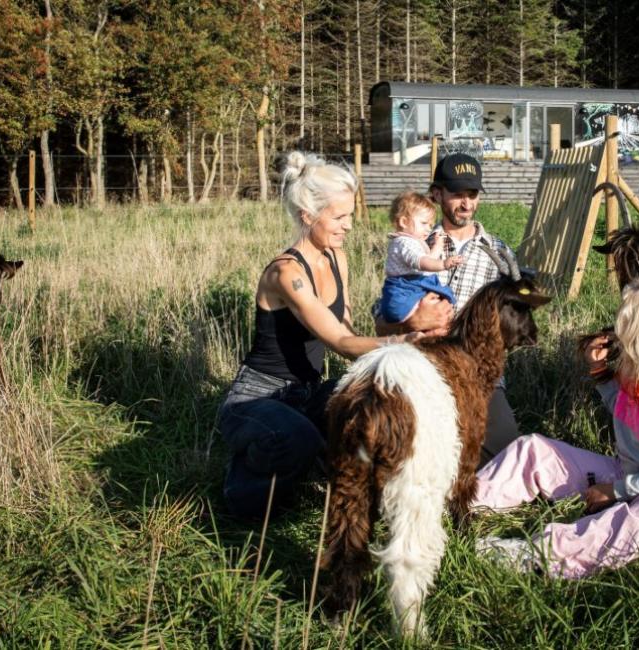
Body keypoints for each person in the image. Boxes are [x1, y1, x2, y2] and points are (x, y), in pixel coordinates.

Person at [219, 151, 450, 520]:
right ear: (308, 216)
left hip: (308, 393)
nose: (348, 226)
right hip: (256, 399)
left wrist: (409, 334)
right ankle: (241, 483)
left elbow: (349, 337)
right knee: (298, 442)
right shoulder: (285, 274)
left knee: (371, 403)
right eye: (339, 217)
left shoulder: (336, 257)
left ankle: (327, 476)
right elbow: (338, 342)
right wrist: (401, 343)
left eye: (350, 217)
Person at [470, 279, 639, 579]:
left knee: (636, 521)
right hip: (632, 472)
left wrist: (614, 491)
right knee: (533, 449)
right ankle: (464, 504)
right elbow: (628, 414)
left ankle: (539, 557)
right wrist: (600, 373)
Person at [377, 152, 522, 460]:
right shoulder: (410, 246)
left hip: (476, 370)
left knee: (504, 447)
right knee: (391, 439)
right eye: (457, 194)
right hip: (420, 363)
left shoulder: (499, 253)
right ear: (437, 194)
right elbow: (381, 321)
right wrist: (414, 322)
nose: (466, 203)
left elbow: (511, 330)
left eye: (472, 194)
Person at [376, 191, 461, 326]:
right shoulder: (403, 242)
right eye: (424, 223)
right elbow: (421, 262)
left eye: (431, 225)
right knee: (442, 298)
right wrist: (443, 264)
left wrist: (438, 246)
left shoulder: (414, 241)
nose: (428, 229)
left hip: (414, 283)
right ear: (404, 222)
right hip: (406, 286)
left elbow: (428, 259)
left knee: (444, 298)